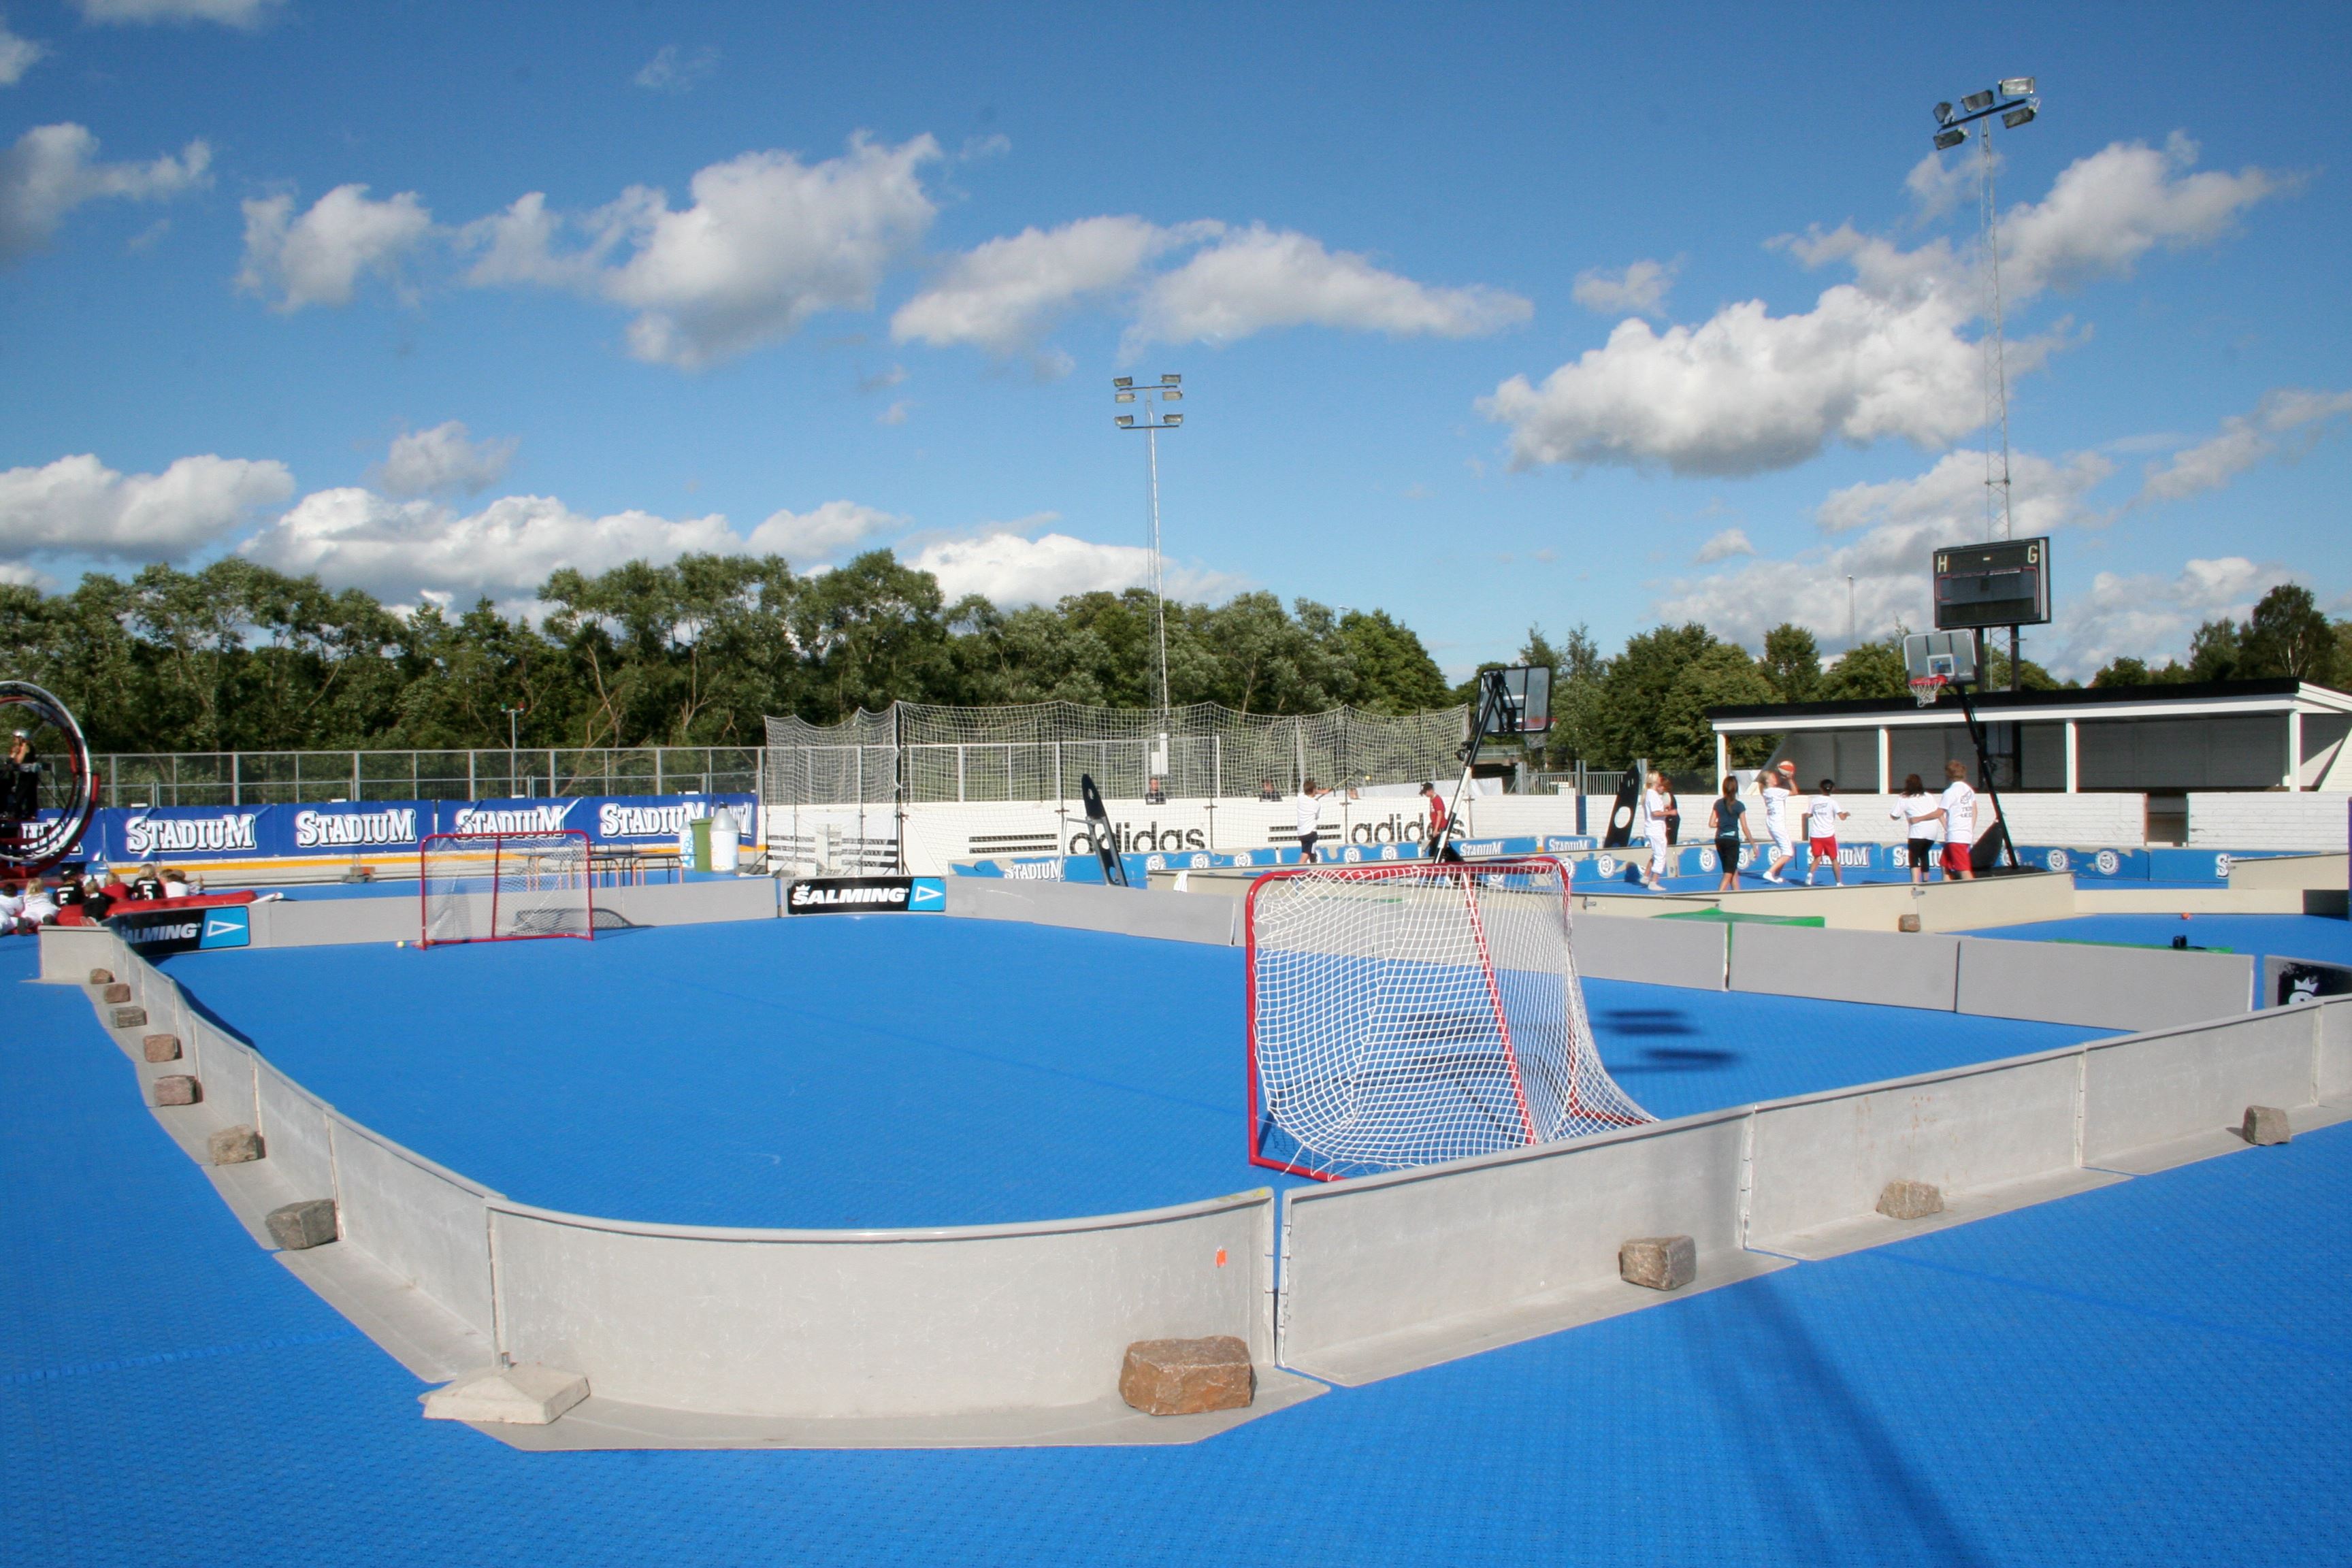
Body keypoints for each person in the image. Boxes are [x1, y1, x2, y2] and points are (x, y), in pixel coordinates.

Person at [1891, 773, 1942, 884]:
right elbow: (1938, 812)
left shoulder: (1904, 797)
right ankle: (1926, 880)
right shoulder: (1928, 796)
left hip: (1917, 832)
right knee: (1924, 854)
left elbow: (1895, 815)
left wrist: (1896, 817)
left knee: (1913, 856)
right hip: (1932, 832)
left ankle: (1915, 882)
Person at [1708, 775, 1755, 892]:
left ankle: (1736, 893)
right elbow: (1745, 827)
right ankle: (1718, 896)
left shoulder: (1718, 803)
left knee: (1732, 870)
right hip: (1732, 841)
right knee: (1728, 873)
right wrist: (1753, 845)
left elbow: (1711, 823)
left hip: (1719, 839)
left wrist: (1722, 824)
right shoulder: (1739, 805)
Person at [1934, 759, 1978, 882]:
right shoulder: (1969, 790)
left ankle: (1974, 894)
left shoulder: (1951, 792)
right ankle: (1947, 889)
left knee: (1964, 870)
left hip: (1956, 836)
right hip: (1964, 834)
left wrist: (1920, 818)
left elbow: (1940, 812)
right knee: (1945, 864)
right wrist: (1970, 828)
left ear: (1949, 775)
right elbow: (1975, 811)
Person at [1757, 761, 1799, 884]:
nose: (1775, 778)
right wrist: (1790, 779)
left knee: (1784, 850)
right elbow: (1795, 792)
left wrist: (1784, 777)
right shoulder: (1776, 792)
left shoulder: (1766, 792)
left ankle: (1776, 875)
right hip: (1777, 824)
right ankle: (1769, 872)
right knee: (1788, 852)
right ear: (1768, 781)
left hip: (1771, 823)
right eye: (1773, 777)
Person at [1803, 779, 1850, 886]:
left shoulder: (1815, 801)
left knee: (1817, 858)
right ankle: (1839, 882)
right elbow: (1842, 817)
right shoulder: (1833, 803)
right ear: (1832, 789)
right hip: (1828, 835)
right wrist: (1847, 814)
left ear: (1820, 788)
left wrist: (1814, 814)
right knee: (1834, 859)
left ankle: (1810, 875)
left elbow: (1808, 815)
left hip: (1815, 835)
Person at [1638, 770, 1677, 890]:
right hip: (1656, 829)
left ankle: (1646, 877)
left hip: (1653, 828)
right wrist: (1670, 812)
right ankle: (1654, 882)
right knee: (1661, 855)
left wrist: (1664, 809)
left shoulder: (1649, 794)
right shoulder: (1653, 795)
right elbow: (1655, 813)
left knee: (1656, 853)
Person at [1296, 778, 1338, 864]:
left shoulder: (1300, 797)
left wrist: (1322, 792)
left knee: (1311, 854)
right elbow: (1317, 817)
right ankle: (1295, 871)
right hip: (1310, 833)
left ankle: (1312, 870)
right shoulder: (1316, 804)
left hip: (1301, 832)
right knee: (1307, 854)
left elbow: (1310, 792)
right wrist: (1316, 798)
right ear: (1314, 790)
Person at [1419, 781, 1461, 862]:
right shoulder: (1432, 799)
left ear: (1430, 790)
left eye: (1425, 792)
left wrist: (1436, 829)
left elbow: (1440, 814)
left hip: (1441, 828)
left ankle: (1457, 861)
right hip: (1438, 828)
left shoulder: (1437, 800)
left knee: (1439, 849)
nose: (1425, 795)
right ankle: (1455, 861)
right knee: (1438, 848)